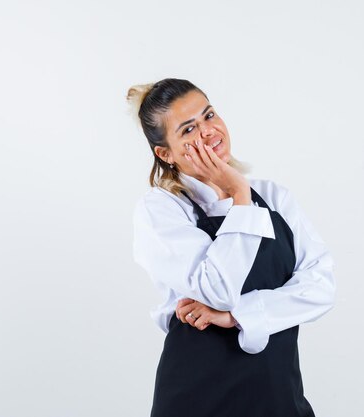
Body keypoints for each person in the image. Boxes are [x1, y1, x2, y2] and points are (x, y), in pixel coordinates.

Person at [127, 78, 336, 417]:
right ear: (164, 154)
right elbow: (217, 289)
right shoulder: (162, 209)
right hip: (196, 399)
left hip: (277, 394)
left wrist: (236, 316)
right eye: (188, 129)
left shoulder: (274, 197)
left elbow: (322, 288)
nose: (208, 132)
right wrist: (239, 196)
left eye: (209, 116)